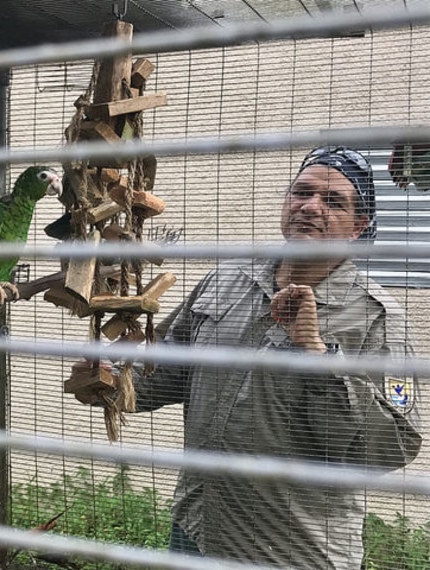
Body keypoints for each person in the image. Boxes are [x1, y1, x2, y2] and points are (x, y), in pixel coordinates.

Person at [86, 146, 423, 568]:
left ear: (359, 226)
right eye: (301, 193)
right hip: (199, 530)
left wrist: (318, 357)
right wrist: (113, 379)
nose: (310, 207)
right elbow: (167, 371)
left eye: (333, 201)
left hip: (297, 551)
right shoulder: (228, 279)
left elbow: (391, 447)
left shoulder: (376, 318)